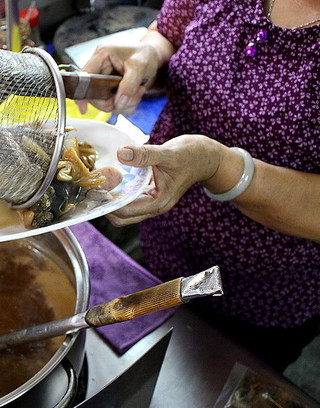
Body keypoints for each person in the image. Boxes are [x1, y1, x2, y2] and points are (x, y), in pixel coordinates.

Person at [76, 0, 320, 372]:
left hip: (261, 295)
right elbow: (168, 33)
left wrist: (219, 166)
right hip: (163, 242)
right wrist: (146, 57)